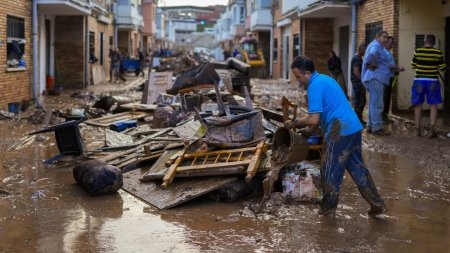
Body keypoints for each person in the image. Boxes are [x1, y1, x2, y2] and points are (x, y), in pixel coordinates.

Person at [285, 56, 387, 218]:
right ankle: (377, 204)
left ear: (308, 73)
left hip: (339, 130)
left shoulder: (314, 87)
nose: (299, 81)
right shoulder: (325, 79)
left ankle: (328, 211)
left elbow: (313, 118)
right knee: (357, 167)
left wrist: (295, 123)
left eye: (299, 77)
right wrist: (308, 130)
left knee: (329, 170)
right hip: (353, 127)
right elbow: (319, 118)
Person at [411, 34, 446, 138]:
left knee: (418, 105)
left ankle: (417, 130)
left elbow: (413, 65)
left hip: (419, 81)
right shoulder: (438, 53)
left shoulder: (417, 51)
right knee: (433, 105)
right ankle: (431, 130)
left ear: (424, 41)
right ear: (434, 42)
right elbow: (443, 68)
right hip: (433, 82)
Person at [362, 31, 391, 135]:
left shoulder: (375, 45)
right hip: (375, 78)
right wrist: (373, 63)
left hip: (374, 78)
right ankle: (377, 127)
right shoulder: (376, 45)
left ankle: (371, 125)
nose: (386, 39)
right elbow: (371, 55)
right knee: (378, 104)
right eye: (384, 37)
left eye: (387, 38)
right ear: (377, 37)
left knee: (373, 103)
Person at [383, 36, 405, 122]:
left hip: (390, 77)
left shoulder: (388, 52)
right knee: (385, 98)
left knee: (388, 97)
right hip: (386, 78)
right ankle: (383, 117)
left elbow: (391, 65)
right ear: (386, 42)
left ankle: (385, 115)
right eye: (391, 43)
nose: (392, 45)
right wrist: (398, 68)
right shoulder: (384, 52)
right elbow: (387, 65)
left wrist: (396, 70)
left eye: (393, 43)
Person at [351, 43, 367, 125]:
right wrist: (363, 81)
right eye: (365, 51)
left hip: (358, 83)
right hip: (358, 83)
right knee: (360, 102)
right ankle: (357, 121)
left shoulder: (358, 58)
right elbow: (356, 72)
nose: (365, 53)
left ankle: (358, 120)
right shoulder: (357, 58)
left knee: (361, 101)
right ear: (361, 49)